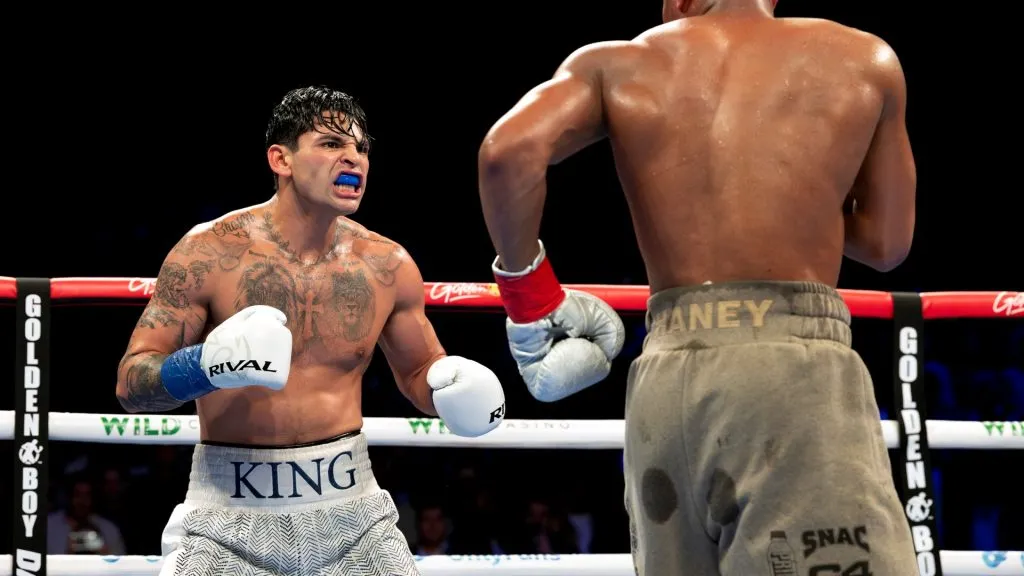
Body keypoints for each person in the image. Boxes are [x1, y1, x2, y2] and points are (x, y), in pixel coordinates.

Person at [477, 1, 918, 574]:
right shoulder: (864, 58)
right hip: (790, 375)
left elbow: (505, 153)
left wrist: (532, 300)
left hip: (666, 382)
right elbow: (886, 245)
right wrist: (797, 191)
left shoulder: (616, 63)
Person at [115, 85, 507, 576]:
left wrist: (450, 386)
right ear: (281, 159)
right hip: (227, 517)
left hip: (355, 516)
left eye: (362, 147)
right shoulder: (209, 253)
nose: (354, 158)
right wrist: (207, 365)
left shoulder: (387, 264)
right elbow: (133, 383)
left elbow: (420, 372)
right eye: (331, 143)